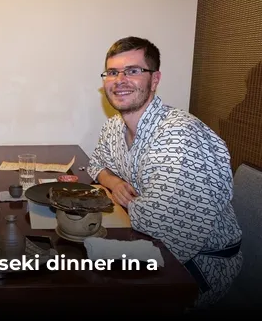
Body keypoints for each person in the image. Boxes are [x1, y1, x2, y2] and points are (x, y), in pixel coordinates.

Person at [87, 36, 243, 309]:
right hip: (147, 241)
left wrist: (131, 205)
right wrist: (113, 182)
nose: (119, 79)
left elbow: (168, 242)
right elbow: (95, 164)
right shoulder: (114, 126)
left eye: (133, 71)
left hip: (194, 269)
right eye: (112, 72)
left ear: (154, 79)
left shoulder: (179, 137)